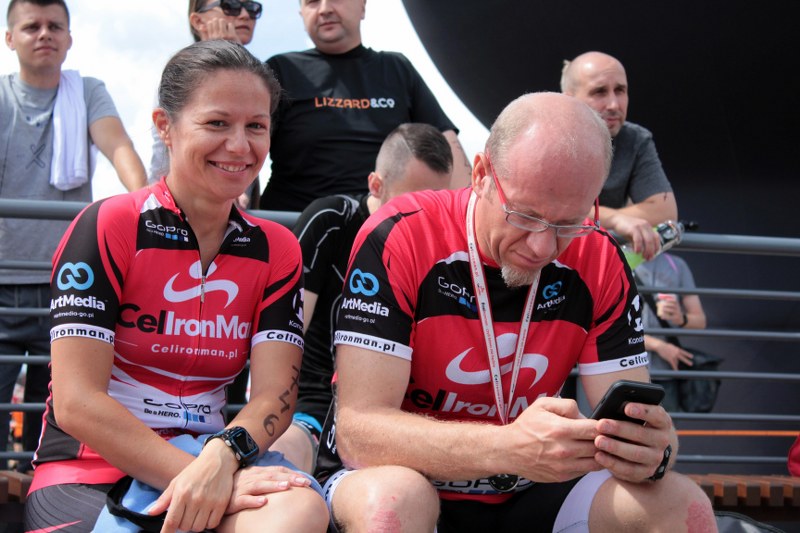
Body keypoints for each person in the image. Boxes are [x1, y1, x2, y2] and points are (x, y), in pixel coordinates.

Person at [317, 92, 715, 532]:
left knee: (683, 506)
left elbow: (638, 425)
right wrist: (507, 447)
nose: (543, 246)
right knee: (393, 503)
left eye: (569, 223)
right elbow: (359, 433)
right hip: (404, 476)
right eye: (524, 216)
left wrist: (655, 450)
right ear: (481, 175)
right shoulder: (401, 234)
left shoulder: (600, 256)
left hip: (531, 486)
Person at [24, 40, 328, 532]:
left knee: (301, 511)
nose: (240, 145)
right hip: (91, 469)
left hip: (214, 458)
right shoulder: (109, 224)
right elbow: (77, 402)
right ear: (165, 126)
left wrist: (222, 458)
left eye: (256, 126)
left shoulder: (277, 249)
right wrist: (196, 475)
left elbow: (275, 395)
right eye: (217, 123)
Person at [0, 0, 147, 472]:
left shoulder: (86, 91)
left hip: (67, 280)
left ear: (69, 38)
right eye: (32, 26)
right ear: (10, 39)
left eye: (54, 26)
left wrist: (146, 207)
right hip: (5, 274)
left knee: (58, 408)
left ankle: (42, 487)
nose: (44, 34)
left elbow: (118, 145)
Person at [271, 123, 453, 472]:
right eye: (412, 203)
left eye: (436, 204)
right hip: (315, 408)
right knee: (275, 462)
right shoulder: (331, 221)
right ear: (376, 185)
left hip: (399, 418)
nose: (425, 218)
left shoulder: (442, 245)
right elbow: (285, 336)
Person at [259, 0, 472, 212]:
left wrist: (467, 212)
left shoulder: (396, 69)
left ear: (362, 6)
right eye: (312, 2)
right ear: (301, 13)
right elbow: (247, 142)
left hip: (384, 220)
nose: (324, 9)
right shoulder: (281, 71)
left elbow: (446, 145)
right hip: (292, 221)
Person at [561, 51, 678, 262]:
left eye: (620, 90)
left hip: (598, 263)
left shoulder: (635, 139)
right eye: (599, 92)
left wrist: (592, 218)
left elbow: (665, 212)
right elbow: (544, 209)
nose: (614, 104)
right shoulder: (548, 136)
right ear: (570, 100)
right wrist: (614, 219)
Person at [148, 0, 263, 210]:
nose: (244, 15)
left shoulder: (261, 78)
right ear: (198, 21)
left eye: (252, 8)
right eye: (231, 6)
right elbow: (160, 152)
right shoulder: (181, 74)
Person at [635, 253, 707, 412]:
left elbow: (700, 321)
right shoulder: (617, 257)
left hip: (665, 374)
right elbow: (605, 323)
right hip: (627, 370)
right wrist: (658, 346)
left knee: (665, 426)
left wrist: (680, 318)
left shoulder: (677, 264)